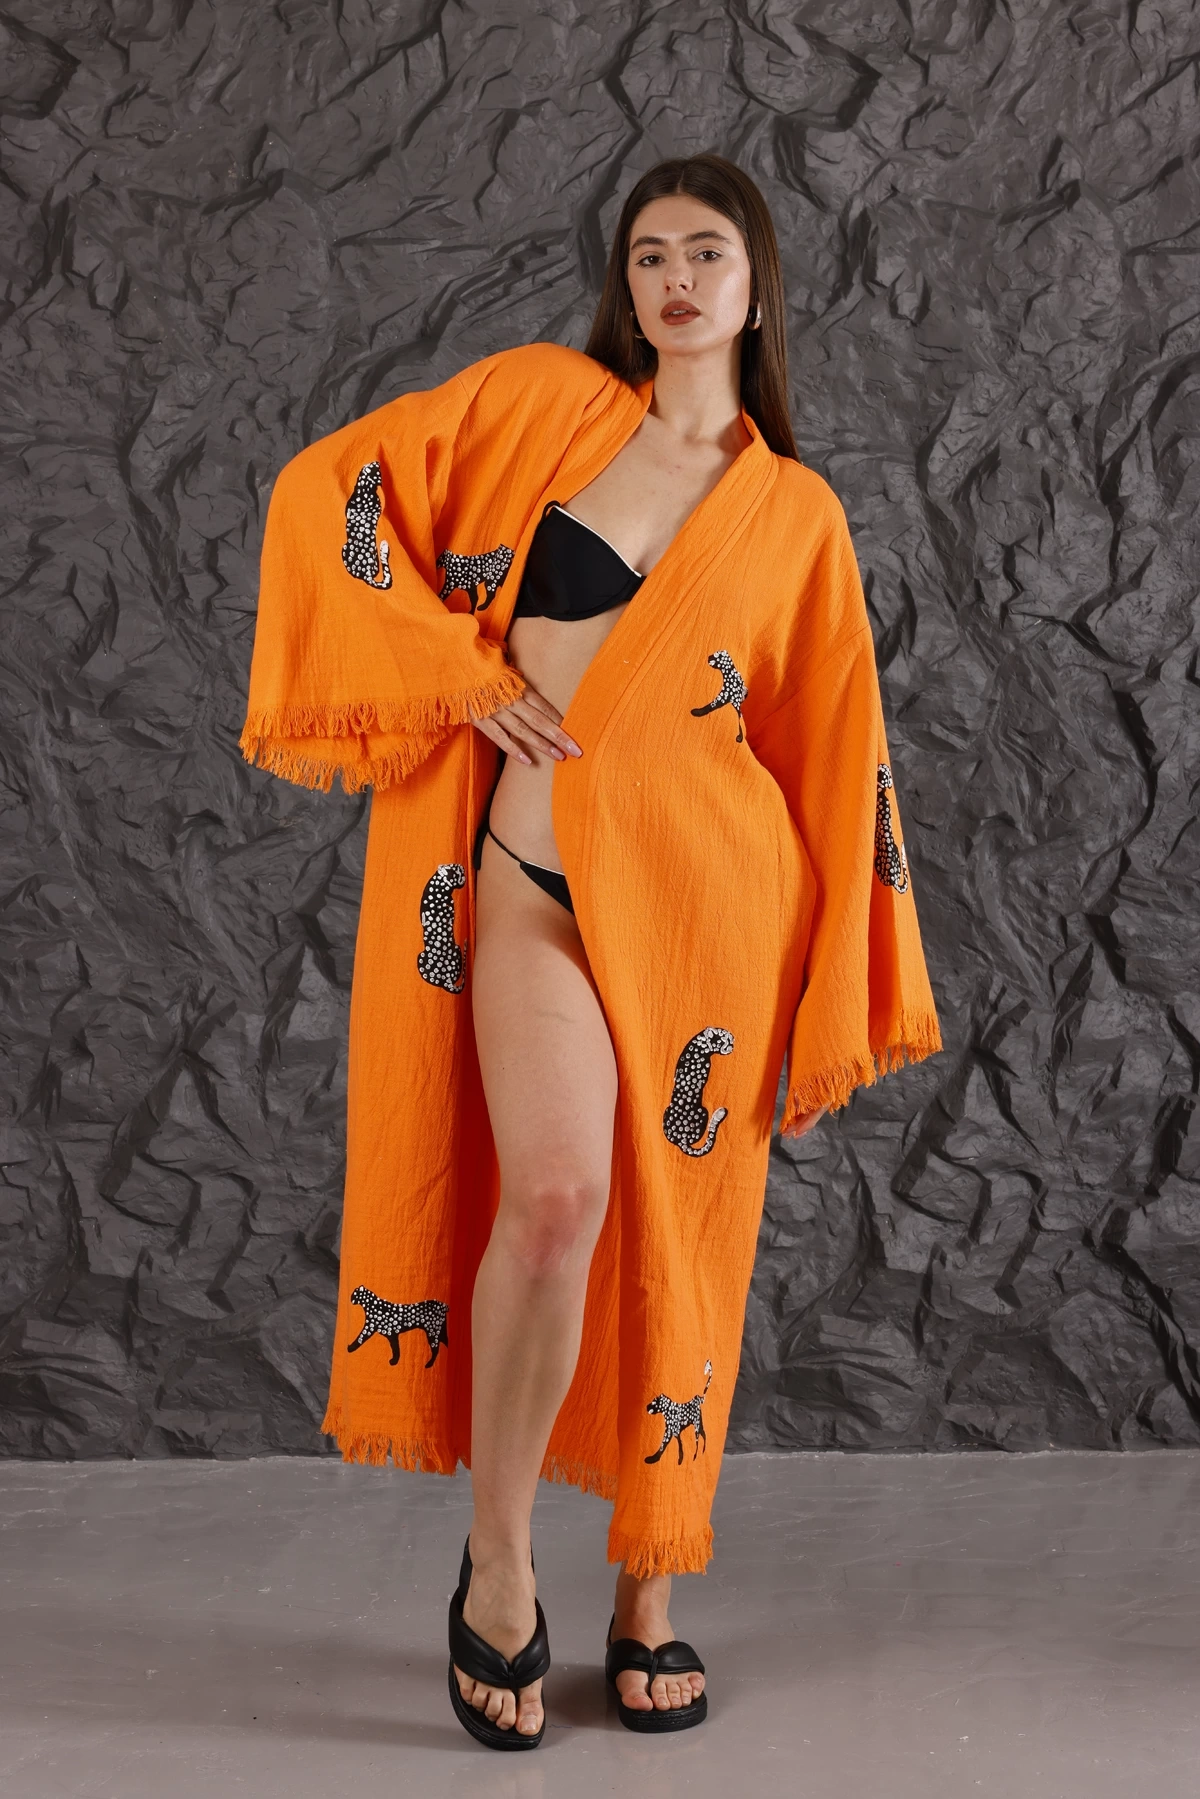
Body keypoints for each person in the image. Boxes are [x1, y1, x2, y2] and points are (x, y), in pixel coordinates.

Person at [240, 154, 941, 1751]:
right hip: (525, 881)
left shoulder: (796, 514)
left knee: (680, 1248)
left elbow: (842, 763)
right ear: (624, 285)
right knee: (556, 1203)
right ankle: (499, 1563)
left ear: (756, 285)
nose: (677, 281)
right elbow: (335, 492)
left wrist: (831, 992)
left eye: (708, 253)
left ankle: (649, 1584)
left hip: (709, 923)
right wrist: (450, 663)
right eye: (649, 256)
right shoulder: (545, 407)